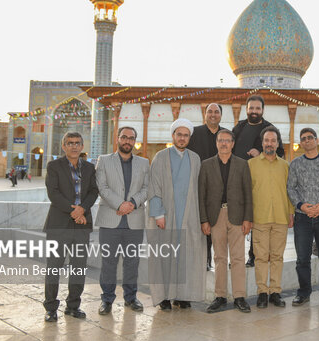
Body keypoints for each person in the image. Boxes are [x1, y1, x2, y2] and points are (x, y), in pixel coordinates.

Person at [147, 119, 206, 311]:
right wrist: (158, 214)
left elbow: (200, 189)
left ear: (189, 138)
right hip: (167, 216)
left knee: (185, 256)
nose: (182, 138)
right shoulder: (161, 157)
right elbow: (153, 187)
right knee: (164, 257)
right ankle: (164, 296)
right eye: (179, 135)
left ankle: (182, 295)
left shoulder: (195, 159)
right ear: (173, 136)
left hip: (189, 216)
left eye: (185, 135)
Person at [43, 132, 99, 322]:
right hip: (58, 225)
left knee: (78, 267)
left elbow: (93, 191)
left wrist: (82, 209)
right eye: (70, 143)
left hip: (82, 227)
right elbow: (53, 193)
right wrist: (74, 211)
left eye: (77, 143)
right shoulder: (54, 166)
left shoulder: (90, 168)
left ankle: (73, 306)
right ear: (64, 146)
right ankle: (50, 308)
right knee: (54, 268)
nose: (74, 146)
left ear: (82, 146)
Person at [95, 127, 150, 315]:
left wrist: (132, 203)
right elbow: (102, 187)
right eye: (124, 137)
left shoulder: (144, 163)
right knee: (109, 262)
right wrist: (120, 204)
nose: (127, 141)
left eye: (131, 138)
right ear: (117, 138)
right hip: (110, 220)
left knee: (132, 262)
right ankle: (107, 300)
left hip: (134, 221)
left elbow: (146, 188)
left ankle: (131, 298)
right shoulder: (104, 160)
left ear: (135, 141)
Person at [199, 129, 253, 313]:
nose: (224, 143)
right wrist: (204, 220)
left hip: (237, 216)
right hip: (215, 217)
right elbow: (202, 195)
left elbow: (248, 193)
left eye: (227, 141)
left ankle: (239, 296)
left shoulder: (242, 165)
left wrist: (248, 218)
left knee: (238, 258)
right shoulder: (206, 165)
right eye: (220, 140)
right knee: (219, 257)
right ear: (216, 143)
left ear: (232, 143)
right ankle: (219, 296)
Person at [287, 127, 319, 309]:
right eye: (303, 138)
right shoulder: (295, 164)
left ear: (316, 140)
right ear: (300, 143)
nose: (307, 141)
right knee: (302, 258)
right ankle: (303, 293)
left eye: (310, 137)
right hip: (302, 217)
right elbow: (291, 188)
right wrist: (301, 205)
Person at [232, 94, 284, 267]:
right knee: (238, 219)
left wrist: (261, 154)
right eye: (251, 108)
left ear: (262, 110)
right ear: (246, 109)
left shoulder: (270, 129)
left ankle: (253, 256)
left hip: (261, 181)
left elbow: (280, 152)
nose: (254, 111)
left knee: (257, 219)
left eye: (257, 108)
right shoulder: (239, 127)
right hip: (239, 179)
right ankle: (236, 257)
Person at [248, 126, 294, 309]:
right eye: (266, 140)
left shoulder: (285, 166)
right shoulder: (251, 165)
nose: (269, 144)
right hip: (259, 218)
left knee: (277, 257)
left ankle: (275, 292)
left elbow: (290, 192)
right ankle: (262, 293)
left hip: (281, 218)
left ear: (277, 143)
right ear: (262, 143)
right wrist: (247, 217)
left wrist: (291, 213)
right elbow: (247, 193)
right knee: (260, 257)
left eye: (273, 141)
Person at [187, 103, 226, 271]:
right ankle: (200, 261)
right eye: (210, 111)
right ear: (205, 114)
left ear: (221, 115)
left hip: (220, 190)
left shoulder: (226, 135)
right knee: (199, 226)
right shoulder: (194, 133)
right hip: (198, 187)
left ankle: (212, 262)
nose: (213, 114)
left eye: (216, 112)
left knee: (216, 228)